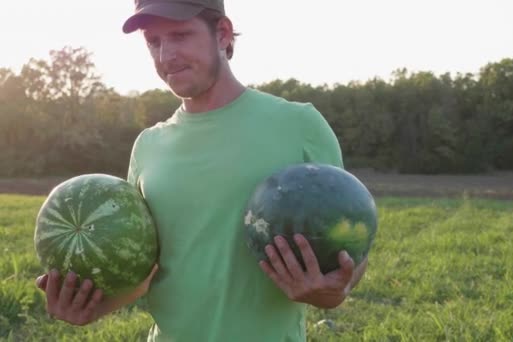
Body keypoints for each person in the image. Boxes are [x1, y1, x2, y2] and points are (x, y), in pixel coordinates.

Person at [34, 0, 368, 340]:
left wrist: (333, 291)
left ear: (222, 33)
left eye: (180, 35)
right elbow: (149, 270)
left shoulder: (298, 125)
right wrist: (91, 307)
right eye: (153, 41)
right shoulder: (149, 146)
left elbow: (351, 244)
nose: (166, 56)